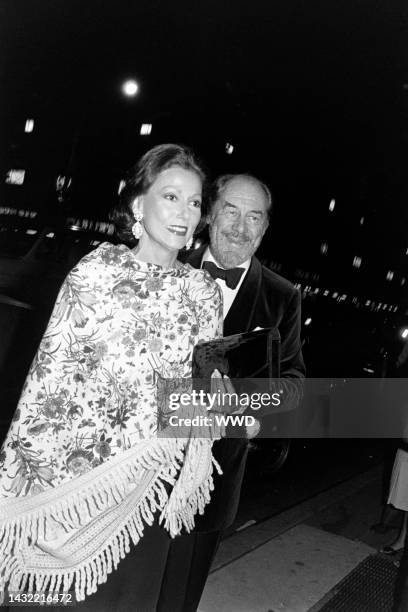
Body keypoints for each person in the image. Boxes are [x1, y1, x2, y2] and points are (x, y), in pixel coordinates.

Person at [0, 144, 224, 610]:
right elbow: (52, 380)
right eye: (171, 197)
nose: (185, 213)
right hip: (73, 480)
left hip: (150, 490)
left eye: (195, 202)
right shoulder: (97, 272)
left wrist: (215, 402)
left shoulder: (203, 293)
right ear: (139, 205)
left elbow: (198, 391)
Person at [158, 173, 305, 611]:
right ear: (209, 214)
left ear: (264, 229)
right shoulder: (166, 266)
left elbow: (294, 385)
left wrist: (248, 411)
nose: (240, 227)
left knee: (179, 597)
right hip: (141, 463)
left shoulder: (282, 296)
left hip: (214, 477)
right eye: (231, 211)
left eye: (254, 217)